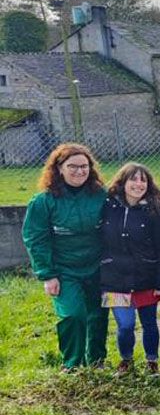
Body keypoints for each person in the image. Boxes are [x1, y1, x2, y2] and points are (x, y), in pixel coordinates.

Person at [22, 143, 108, 371]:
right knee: (73, 315)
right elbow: (35, 238)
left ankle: (97, 362)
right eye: (72, 166)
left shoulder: (101, 195)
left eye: (84, 166)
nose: (79, 171)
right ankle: (72, 365)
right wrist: (47, 275)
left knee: (98, 315)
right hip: (64, 270)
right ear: (59, 168)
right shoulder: (43, 201)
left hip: (97, 266)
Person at [99, 162, 160, 376]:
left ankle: (152, 362)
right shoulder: (107, 206)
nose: (138, 184)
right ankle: (126, 360)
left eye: (143, 179)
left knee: (149, 323)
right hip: (113, 280)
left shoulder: (156, 210)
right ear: (122, 182)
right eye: (133, 179)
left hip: (146, 279)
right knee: (125, 325)